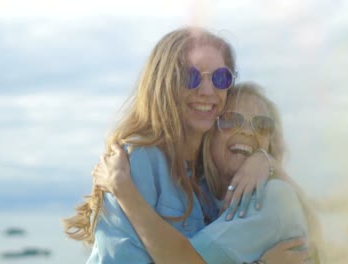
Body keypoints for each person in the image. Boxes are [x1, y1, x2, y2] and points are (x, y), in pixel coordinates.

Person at [64, 27, 307, 263]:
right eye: (190, 77)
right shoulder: (136, 162)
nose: (207, 90)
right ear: (163, 84)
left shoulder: (212, 178)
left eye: (220, 78)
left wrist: (267, 160)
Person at [92, 82, 323, 263]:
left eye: (262, 125)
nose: (247, 132)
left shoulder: (271, 197)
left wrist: (123, 188)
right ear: (209, 135)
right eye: (232, 120)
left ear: (270, 141)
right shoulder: (206, 199)